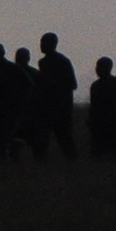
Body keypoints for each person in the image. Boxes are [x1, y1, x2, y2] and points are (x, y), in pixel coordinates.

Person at [0, 37, 30, 161]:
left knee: (4, 139)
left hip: (9, 111)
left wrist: (19, 102)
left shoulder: (13, 68)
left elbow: (28, 86)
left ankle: (7, 159)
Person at [34, 33, 78, 161]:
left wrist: (52, 85)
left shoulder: (63, 61)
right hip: (45, 109)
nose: (41, 46)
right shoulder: (43, 62)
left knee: (64, 139)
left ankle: (73, 163)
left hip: (61, 109)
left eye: (44, 43)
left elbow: (72, 84)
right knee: (41, 141)